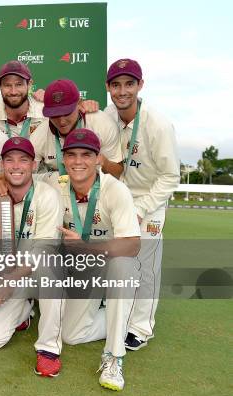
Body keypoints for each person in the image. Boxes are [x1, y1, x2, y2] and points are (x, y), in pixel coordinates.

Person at [104, 58, 180, 350]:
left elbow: (170, 176)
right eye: (116, 85)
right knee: (118, 262)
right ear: (109, 87)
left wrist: (140, 207)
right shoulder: (108, 116)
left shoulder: (157, 124)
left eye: (129, 84)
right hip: (117, 199)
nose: (122, 91)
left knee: (145, 266)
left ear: (140, 85)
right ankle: (118, 315)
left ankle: (141, 327)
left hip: (149, 201)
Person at [57, 128, 141, 391]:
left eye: (86, 154)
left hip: (114, 263)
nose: (78, 161)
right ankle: (122, 314)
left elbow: (132, 245)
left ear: (98, 159)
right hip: (84, 270)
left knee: (122, 265)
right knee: (71, 335)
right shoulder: (56, 186)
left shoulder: (115, 190)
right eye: (71, 155)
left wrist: (86, 248)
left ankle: (114, 357)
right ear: (63, 158)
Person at [0, 138, 64, 374]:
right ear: (1, 165)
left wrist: (7, 281)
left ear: (34, 165)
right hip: (4, 274)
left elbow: (43, 251)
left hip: (34, 273)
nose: (16, 166)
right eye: (10, 160)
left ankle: (48, 348)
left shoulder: (48, 196)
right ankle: (25, 311)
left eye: (23, 160)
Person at [31, 79, 123, 182]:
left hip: (98, 190)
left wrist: (104, 162)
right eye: (55, 114)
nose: (62, 121)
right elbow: (26, 174)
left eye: (67, 113)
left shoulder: (102, 124)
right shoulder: (39, 135)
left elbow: (118, 174)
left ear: (79, 104)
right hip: (60, 190)